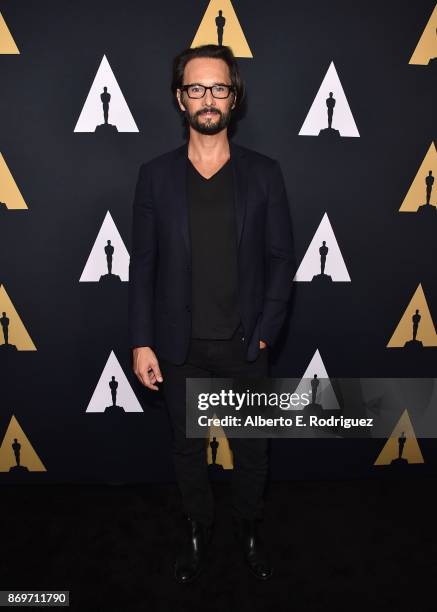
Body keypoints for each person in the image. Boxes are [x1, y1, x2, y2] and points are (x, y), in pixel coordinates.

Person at [128, 43, 295, 583]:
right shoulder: (153, 177)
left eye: (218, 87)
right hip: (178, 349)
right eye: (195, 88)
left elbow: (279, 259)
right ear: (180, 99)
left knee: (253, 454)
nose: (207, 98)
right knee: (186, 453)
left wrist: (267, 333)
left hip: (246, 345)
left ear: (234, 96)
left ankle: (248, 530)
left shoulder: (265, 174)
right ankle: (198, 530)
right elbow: (143, 267)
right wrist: (141, 341)